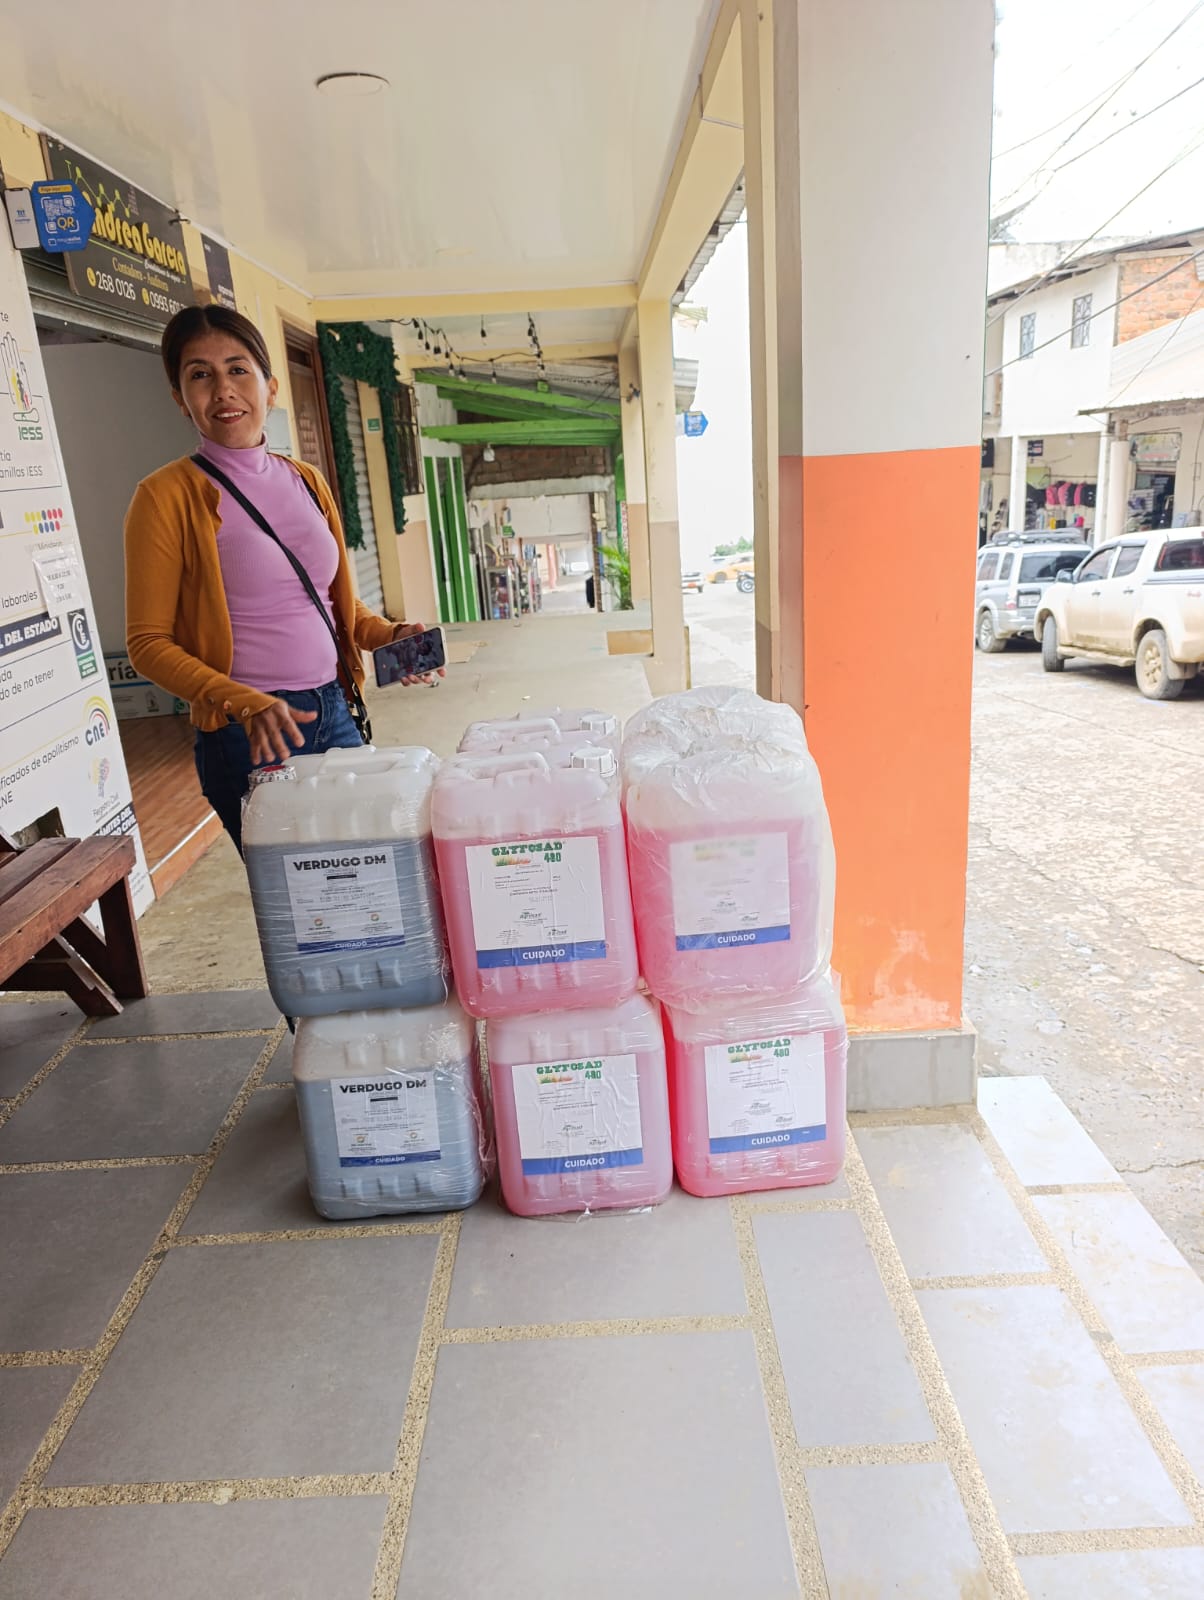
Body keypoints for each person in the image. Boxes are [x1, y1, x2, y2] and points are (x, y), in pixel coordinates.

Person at [124, 303, 437, 856]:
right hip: (250, 734)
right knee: (302, 897)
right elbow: (147, 643)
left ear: (270, 388)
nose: (223, 389)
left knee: (370, 879)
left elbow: (331, 602)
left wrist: (390, 636)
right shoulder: (164, 497)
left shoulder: (306, 479)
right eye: (200, 375)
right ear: (180, 397)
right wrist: (243, 701)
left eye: (237, 369)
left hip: (335, 707)